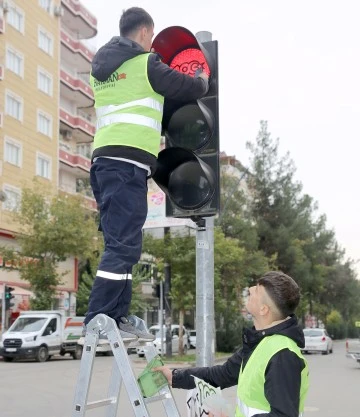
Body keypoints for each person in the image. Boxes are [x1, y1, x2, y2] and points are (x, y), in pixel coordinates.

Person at [82, 7, 209, 341]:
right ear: (144, 32)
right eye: (151, 37)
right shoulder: (145, 64)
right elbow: (186, 86)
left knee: (124, 244)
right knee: (122, 246)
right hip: (125, 166)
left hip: (108, 163)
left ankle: (117, 317)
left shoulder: (100, 71)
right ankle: (98, 318)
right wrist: (201, 77)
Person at [155, 271, 309, 417]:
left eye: (257, 290)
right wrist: (175, 377)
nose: (250, 289)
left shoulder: (282, 355)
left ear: (263, 309)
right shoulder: (261, 342)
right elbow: (222, 375)